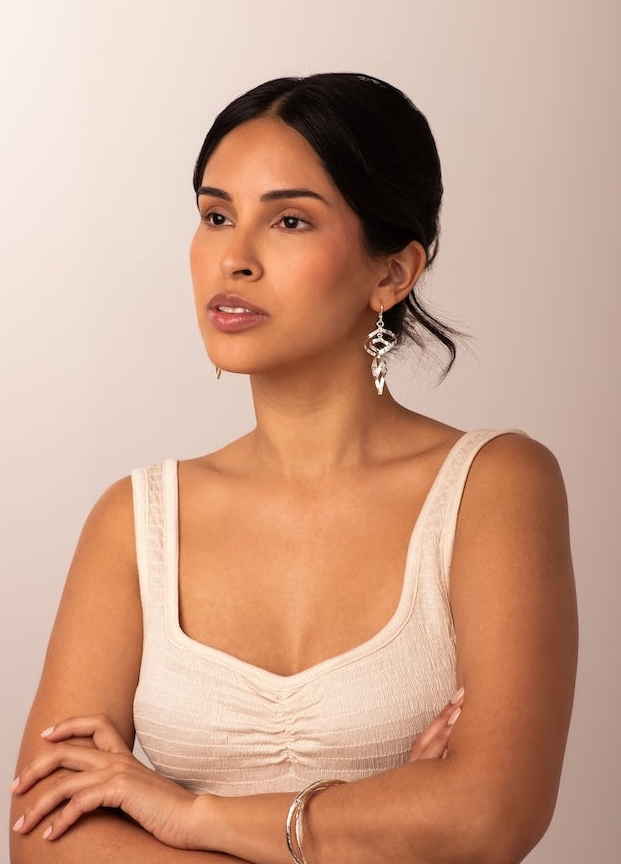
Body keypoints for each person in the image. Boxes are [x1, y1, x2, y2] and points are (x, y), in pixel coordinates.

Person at [10, 73, 577, 864]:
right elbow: (44, 833)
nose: (233, 258)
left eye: (288, 220)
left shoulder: (494, 486)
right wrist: (380, 830)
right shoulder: (135, 521)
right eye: (215, 215)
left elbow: (488, 816)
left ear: (392, 273)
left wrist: (186, 813)